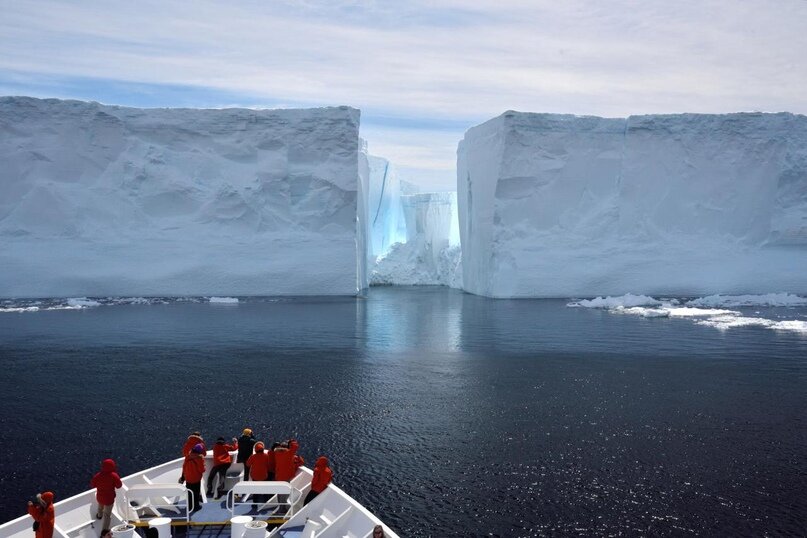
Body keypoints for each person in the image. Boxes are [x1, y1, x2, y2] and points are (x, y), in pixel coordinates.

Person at [90, 459, 122, 530]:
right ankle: (104, 532)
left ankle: (99, 516)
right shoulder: (114, 476)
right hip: (109, 499)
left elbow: (92, 484)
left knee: (100, 507)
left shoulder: (98, 475)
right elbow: (119, 486)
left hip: (100, 497)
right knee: (107, 515)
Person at [179, 443, 205, 512]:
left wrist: (183, 477)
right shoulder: (199, 458)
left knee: (189, 493)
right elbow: (202, 470)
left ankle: (190, 507)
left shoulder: (188, 456)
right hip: (196, 478)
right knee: (196, 493)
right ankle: (196, 506)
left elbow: (184, 467)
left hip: (188, 478)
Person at [246, 442, 271, 506]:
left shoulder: (253, 456)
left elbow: (248, 464)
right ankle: (266, 502)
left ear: (256, 450)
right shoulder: (266, 456)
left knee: (255, 489)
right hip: (264, 475)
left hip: (255, 476)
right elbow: (268, 465)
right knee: (265, 489)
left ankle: (255, 504)